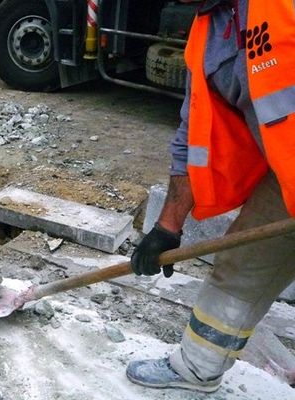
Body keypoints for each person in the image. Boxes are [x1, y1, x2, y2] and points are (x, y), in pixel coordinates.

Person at [126, 0, 295, 392]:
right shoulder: (205, 38)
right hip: (287, 180)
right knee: (240, 264)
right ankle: (196, 367)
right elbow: (192, 138)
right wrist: (167, 228)